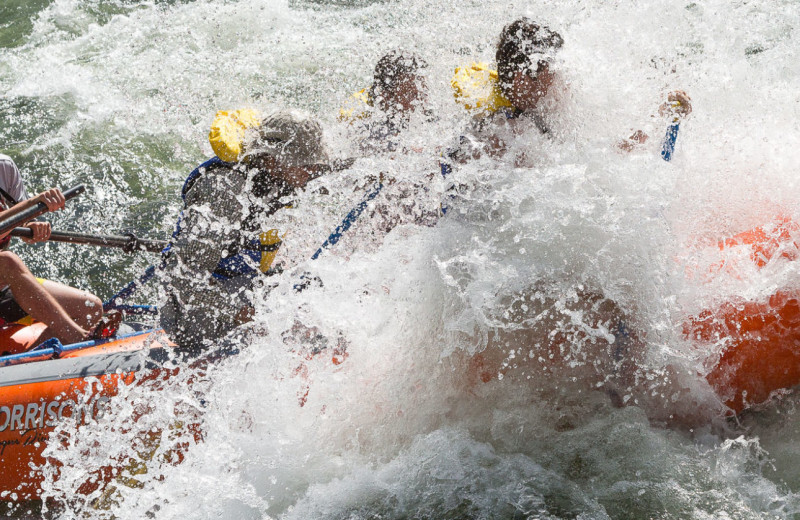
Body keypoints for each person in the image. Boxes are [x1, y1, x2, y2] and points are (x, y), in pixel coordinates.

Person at [159, 110, 342, 350]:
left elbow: (339, 173)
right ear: (272, 159)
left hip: (244, 285)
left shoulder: (275, 178)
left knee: (319, 284)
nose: (311, 173)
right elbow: (183, 276)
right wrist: (239, 312)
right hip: (193, 316)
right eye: (304, 165)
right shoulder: (223, 192)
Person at [0, 154, 103, 345]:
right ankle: (80, 337)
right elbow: (22, 209)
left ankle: (32, 361)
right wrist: (33, 204)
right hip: (4, 267)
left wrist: (32, 225)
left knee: (91, 308)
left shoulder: (4, 167)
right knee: (7, 260)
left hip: (3, 285)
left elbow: (22, 218)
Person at [351, 49, 430, 155]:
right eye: (413, 95)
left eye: (423, 94)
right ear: (385, 96)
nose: (420, 102)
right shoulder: (368, 133)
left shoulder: (432, 125)